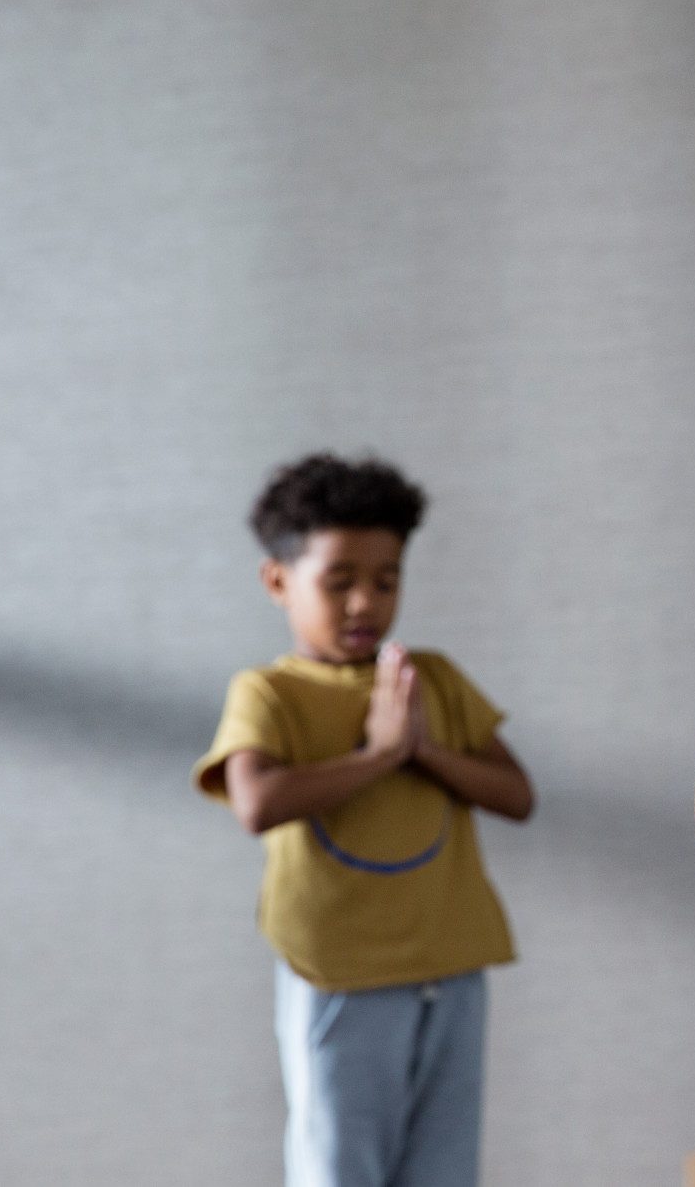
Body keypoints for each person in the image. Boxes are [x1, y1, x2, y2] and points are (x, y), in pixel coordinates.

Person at [194, 452, 534, 1187]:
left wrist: (422, 750)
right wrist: (381, 755)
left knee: (445, 1171)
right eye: (339, 580)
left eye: (386, 580)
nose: (364, 603)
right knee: (340, 1169)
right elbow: (257, 803)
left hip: (451, 965)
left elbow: (516, 793)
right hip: (339, 972)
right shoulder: (269, 693)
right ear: (278, 581)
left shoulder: (428, 680)